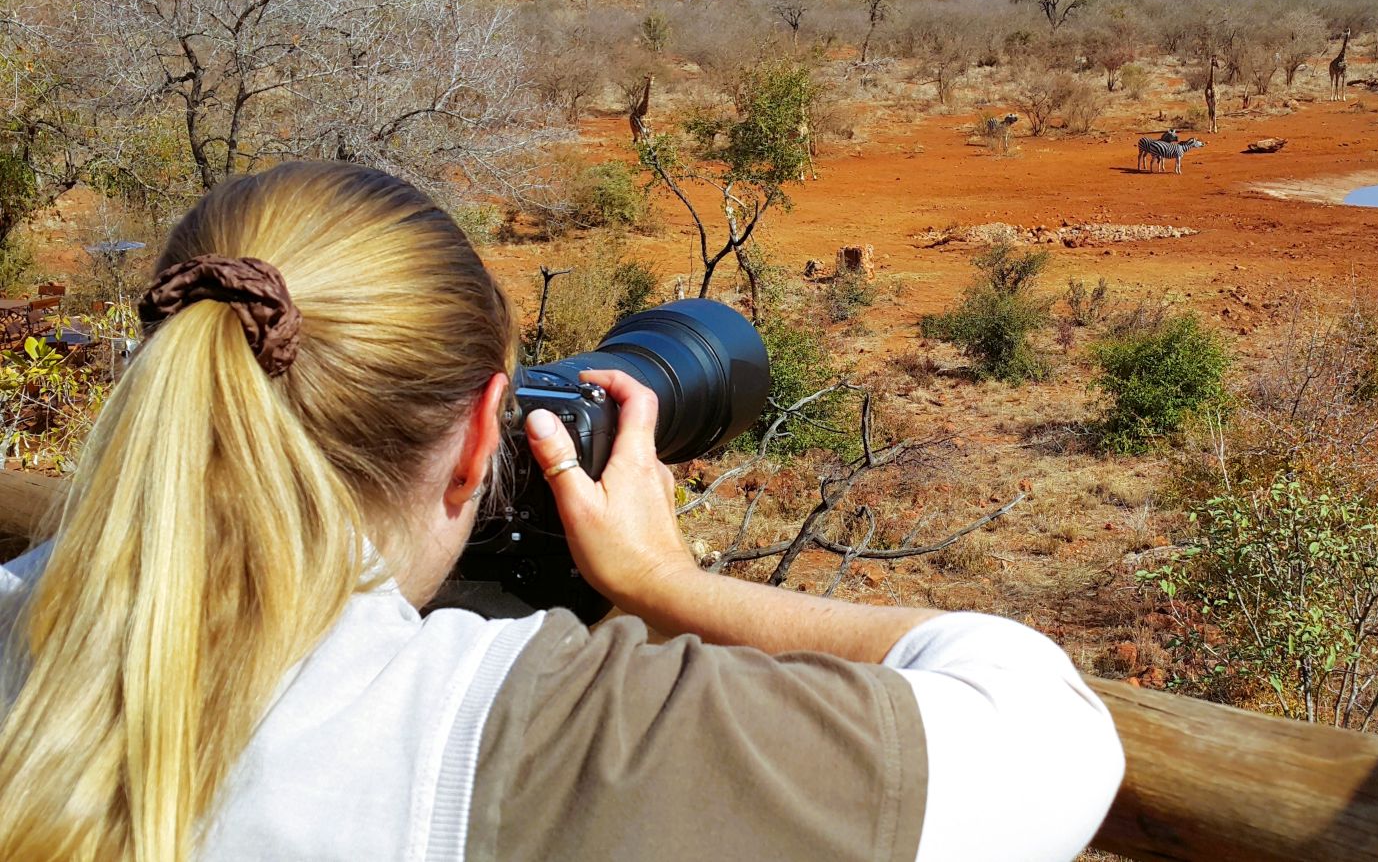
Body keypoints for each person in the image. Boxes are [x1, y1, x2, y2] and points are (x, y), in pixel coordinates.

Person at [0, 162, 1122, 861]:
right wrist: (665, 582)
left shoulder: (22, 623)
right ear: (483, 437)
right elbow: (1057, 736)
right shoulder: (551, 743)